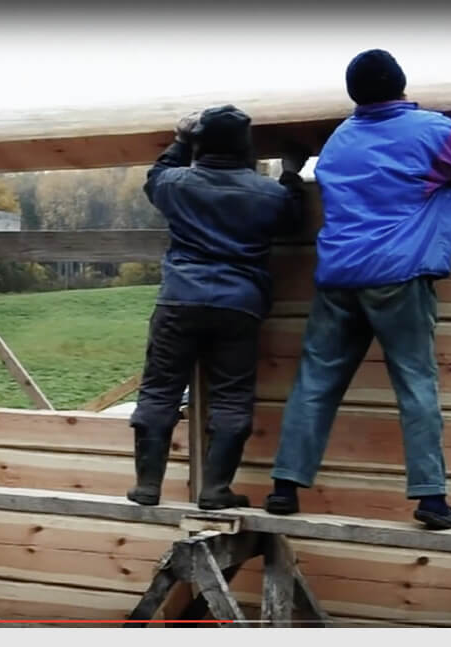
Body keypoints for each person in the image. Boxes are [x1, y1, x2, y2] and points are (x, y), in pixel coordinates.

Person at [264, 50, 451, 529]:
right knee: (415, 385)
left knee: (315, 384)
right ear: (402, 85)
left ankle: (284, 487)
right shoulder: (430, 130)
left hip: (339, 278)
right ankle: (431, 500)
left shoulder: (339, 141)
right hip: (399, 277)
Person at [127, 104, 309, 510]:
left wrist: (179, 139)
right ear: (246, 148)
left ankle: (147, 485)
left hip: (179, 298)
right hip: (239, 304)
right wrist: (292, 173)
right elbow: (294, 217)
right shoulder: (268, 193)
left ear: (200, 144)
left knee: (159, 391)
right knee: (231, 397)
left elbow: (154, 178)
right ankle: (215, 489)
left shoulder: (176, 183)